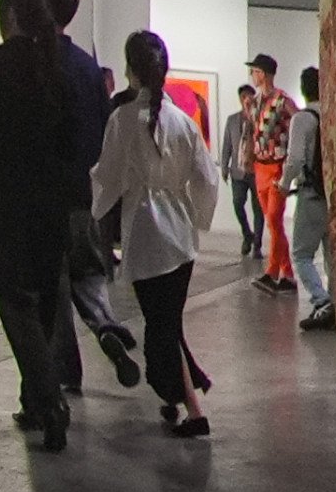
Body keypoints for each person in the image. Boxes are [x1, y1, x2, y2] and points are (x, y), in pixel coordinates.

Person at [0, 0, 87, 450]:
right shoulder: (59, 72)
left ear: (8, 16)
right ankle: (39, 401)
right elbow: (75, 147)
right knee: (44, 308)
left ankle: (49, 402)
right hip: (49, 207)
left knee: (17, 307)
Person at [91, 29, 220, 435]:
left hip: (146, 233)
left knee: (161, 325)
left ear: (131, 71)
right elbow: (206, 178)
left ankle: (189, 405)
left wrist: (95, 210)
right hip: (180, 234)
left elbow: (107, 177)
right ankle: (182, 398)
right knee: (168, 322)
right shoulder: (182, 122)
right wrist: (199, 218)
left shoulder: (122, 120)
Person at [39, 0, 140, 395]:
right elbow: (104, 132)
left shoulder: (41, 62)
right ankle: (104, 325)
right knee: (87, 273)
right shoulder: (87, 67)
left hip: (49, 194)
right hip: (85, 195)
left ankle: (67, 371)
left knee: (55, 284)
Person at [285, 65, 335, 327]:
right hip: (332, 194)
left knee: (302, 254)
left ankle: (321, 300)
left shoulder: (302, 119)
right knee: (331, 254)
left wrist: (283, 185)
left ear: (304, 90)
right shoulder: (333, 115)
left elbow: (294, 160)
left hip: (310, 193)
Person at [246, 55, 297, 291]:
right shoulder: (254, 102)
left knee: (274, 220)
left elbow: (296, 123)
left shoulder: (282, 101)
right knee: (271, 221)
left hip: (277, 166)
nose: (252, 76)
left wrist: (290, 161)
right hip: (260, 166)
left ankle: (273, 271)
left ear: (263, 74)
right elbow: (254, 132)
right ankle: (287, 274)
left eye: (255, 71)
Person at [225, 80, 263, 258]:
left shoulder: (260, 118)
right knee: (237, 203)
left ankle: (257, 246)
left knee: (258, 209)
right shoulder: (232, 120)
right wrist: (224, 166)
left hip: (256, 171)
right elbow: (227, 145)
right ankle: (247, 234)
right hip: (238, 171)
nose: (246, 99)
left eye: (249, 96)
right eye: (243, 97)